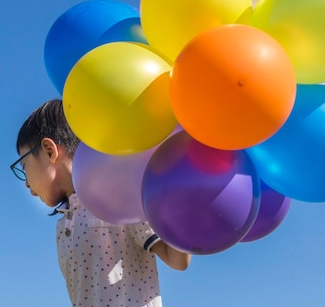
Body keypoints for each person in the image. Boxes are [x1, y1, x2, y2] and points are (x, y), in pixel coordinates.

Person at [11, 98, 191, 307]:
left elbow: (178, 260)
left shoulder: (117, 198)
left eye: (23, 166)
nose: (25, 183)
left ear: (49, 150)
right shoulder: (63, 225)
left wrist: (183, 202)